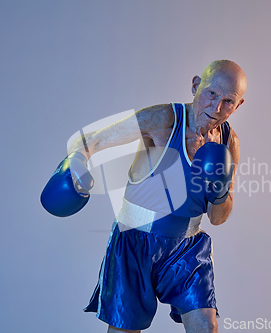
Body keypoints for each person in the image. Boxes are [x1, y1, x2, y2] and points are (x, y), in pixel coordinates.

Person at [43, 60, 246, 333]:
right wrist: (76, 168)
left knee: (206, 328)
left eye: (228, 101)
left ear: (239, 105)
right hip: (133, 244)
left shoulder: (228, 142)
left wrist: (219, 189)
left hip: (186, 250)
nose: (216, 108)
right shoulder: (164, 120)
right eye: (211, 94)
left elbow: (218, 218)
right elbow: (92, 140)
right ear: (196, 85)